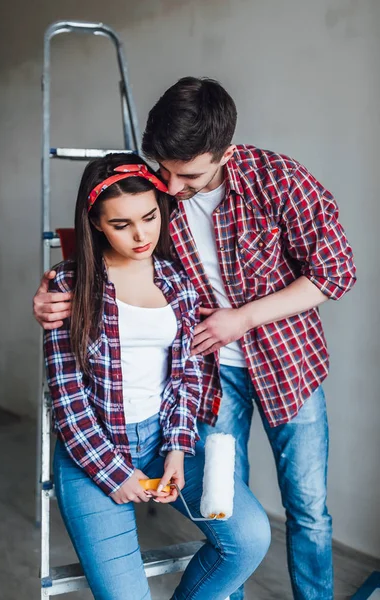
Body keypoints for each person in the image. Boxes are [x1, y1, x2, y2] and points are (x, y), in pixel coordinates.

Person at [34, 78, 357, 600]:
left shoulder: (280, 180)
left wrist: (243, 318)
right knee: (224, 505)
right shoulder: (161, 186)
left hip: (288, 364)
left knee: (307, 508)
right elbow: (109, 222)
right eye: (162, 169)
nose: (171, 185)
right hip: (205, 372)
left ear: (226, 152)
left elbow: (335, 271)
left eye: (186, 175)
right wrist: (52, 288)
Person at [42, 152, 270, 600]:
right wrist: (113, 473)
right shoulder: (68, 286)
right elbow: (67, 399)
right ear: (95, 225)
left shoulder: (176, 281)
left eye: (149, 217)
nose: (141, 234)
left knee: (250, 538)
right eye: (121, 224)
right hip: (93, 457)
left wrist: (178, 450)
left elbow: (184, 378)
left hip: (162, 443)